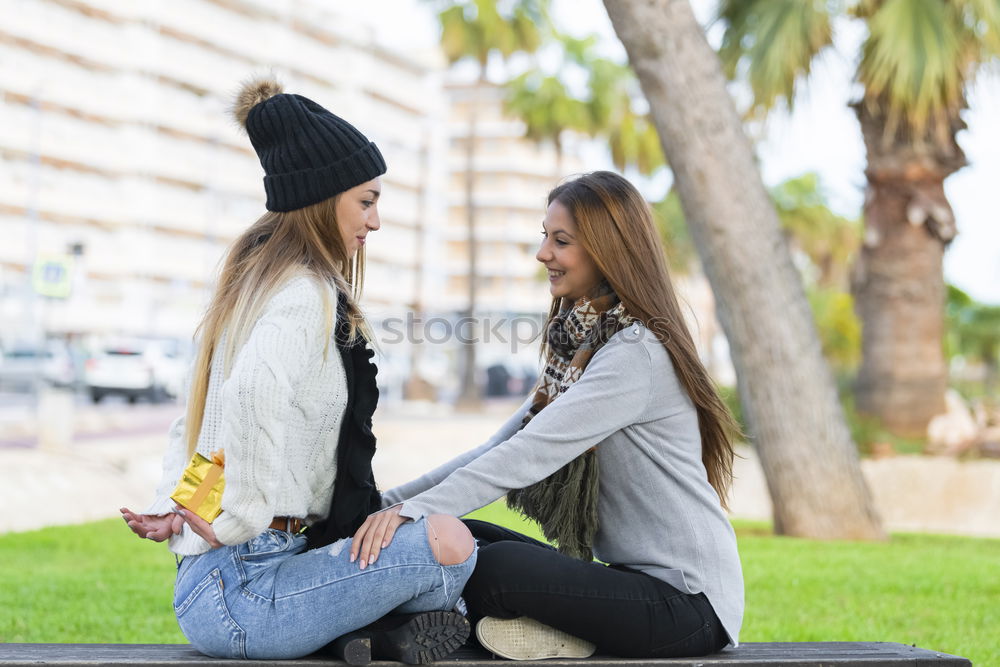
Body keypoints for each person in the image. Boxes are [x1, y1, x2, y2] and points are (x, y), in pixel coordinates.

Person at [120, 77, 476, 664]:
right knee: (452, 548)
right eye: (367, 200)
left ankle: (365, 638)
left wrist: (176, 505)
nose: (376, 221)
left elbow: (203, 421)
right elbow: (249, 397)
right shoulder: (305, 292)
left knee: (429, 539)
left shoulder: (253, 284)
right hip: (247, 590)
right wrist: (237, 518)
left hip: (221, 585)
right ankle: (403, 626)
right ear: (322, 196)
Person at [352, 171, 744, 660]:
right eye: (545, 237)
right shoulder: (583, 349)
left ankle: (465, 629)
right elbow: (497, 449)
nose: (543, 254)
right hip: (632, 584)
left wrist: (405, 512)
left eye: (561, 241)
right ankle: (527, 631)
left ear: (607, 250)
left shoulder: (635, 354)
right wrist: (384, 508)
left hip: (689, 606)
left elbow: (527, 456)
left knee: (494, 569)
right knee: (459, 537)